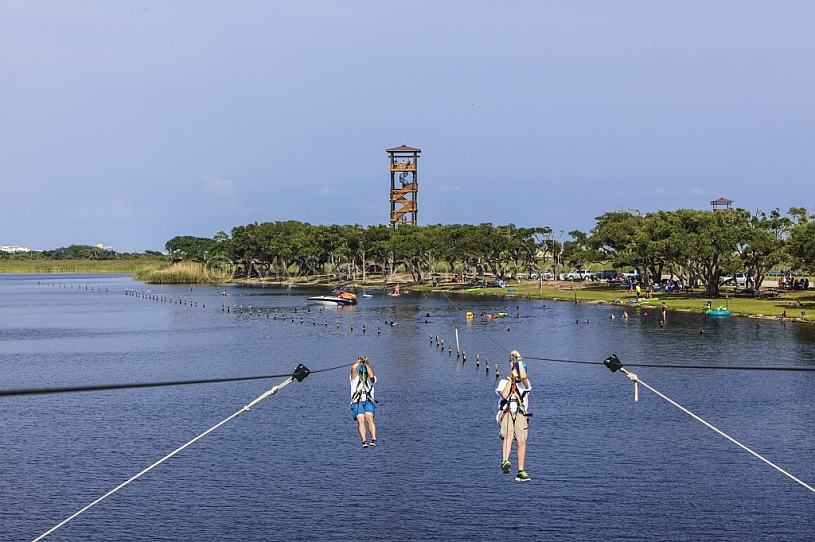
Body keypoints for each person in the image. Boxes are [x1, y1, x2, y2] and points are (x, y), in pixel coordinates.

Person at [496, 350, 532, 481]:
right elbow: (504, 395)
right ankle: (505, 461)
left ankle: (520, 471)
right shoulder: (503, 382)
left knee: (522, 440)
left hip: (520, 414)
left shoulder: (525, 385)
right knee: (509, 435)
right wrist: (510, 378)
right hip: (506, 413)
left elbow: (523, 377)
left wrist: (520, 359)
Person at [350, 357, 377, 448]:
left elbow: (372, 376)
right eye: (362, 374)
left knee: (369, 418)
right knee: (360, 420)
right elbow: (353, 368)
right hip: (357, 403)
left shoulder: (371, 380)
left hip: (368, 401)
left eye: (365, 374)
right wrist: (359, 360)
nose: (363, 376)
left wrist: (366, 363)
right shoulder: (354, 379)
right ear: (360, 373)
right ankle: (364, 441)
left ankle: (373, 439)